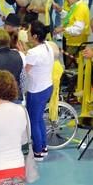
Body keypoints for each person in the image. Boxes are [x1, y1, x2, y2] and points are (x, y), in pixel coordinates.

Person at [25, 21, 54, 160]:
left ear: (35, 36)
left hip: (36, 91)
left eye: (28, 31)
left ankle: (38, 151)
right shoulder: (47, 45)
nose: (26, 33)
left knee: (33, 121)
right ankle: (43, 145)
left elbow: (25, 72)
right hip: (47, 86)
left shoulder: (33, 52)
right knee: (39, 119)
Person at [53, 0, 90, 67]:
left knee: (71, 67)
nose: (67, 0)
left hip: (76, 43)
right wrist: (60, 11)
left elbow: (78, 29)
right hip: (71, 41)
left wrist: (63, 29)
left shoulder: (80, 8)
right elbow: (69, 18)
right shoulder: (75, 6)